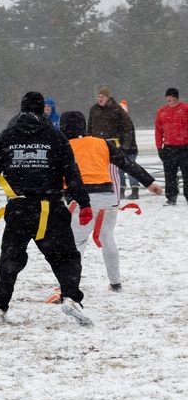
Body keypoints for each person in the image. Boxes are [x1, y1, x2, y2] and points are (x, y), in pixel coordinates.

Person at [0, 91, 93, 326]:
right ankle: (70, 297)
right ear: (42, 110)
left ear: (22, 109)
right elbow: (72, 173)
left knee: (10, 260)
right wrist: (84, 203)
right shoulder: (55, 137)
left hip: (19, 208)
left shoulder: (7, 136)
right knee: (66, 257)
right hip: (51, 209)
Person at [58, 110, 162, 292]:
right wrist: (149, 182)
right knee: (107, 238)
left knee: (76, 242)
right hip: (107, 197)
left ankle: (68, 285)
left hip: (80, 198)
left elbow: (54, 175)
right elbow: (127, 163)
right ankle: (115, 283)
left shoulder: (63, 146)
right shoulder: (101, 143)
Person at [87, 86, 138, 199]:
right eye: (99, 97)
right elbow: (89, 126)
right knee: (100, 169)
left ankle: (117, 191)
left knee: (115, 171)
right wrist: (88, 140)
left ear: (107, 97)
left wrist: (125, 145)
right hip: (97, 144)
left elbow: (127, 127)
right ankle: (102, 190)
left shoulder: (116, 109)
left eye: (102, 97)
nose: (100, 99)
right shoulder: (94, 109)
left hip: (113, 144)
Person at [154, 87, 188, 207]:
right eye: (167, 96)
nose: (169, 99)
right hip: (169, 147)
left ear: (176, 97)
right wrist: (159, 147)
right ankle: (171, 197)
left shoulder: (185, 109)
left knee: (187, 174)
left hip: (185, 147)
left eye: (171, 96)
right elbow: (158, 131)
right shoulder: (161, 112)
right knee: (169, 175)